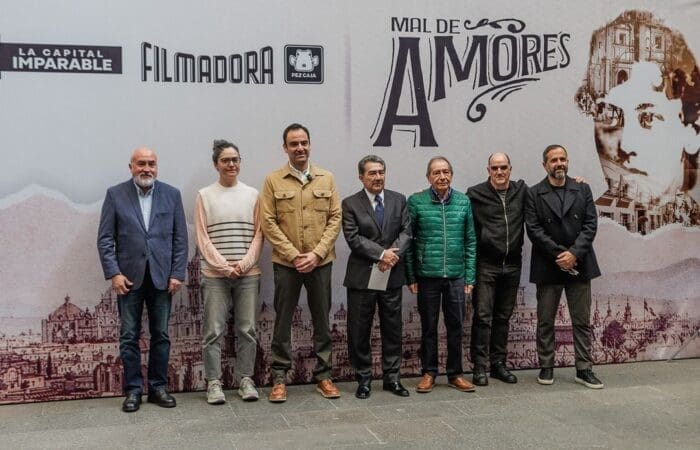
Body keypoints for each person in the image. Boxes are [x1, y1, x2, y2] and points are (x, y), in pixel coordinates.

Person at [576, 10, 699, 234]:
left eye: (648, 118)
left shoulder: (690, 220)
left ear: (691, 131)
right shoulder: (594, 216)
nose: (626, 144)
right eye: (610, 115)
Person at [97, 147, 188, 412]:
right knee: (129, 336)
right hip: (128, 279)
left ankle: (158, 388)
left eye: (151, 163)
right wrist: (114, 273)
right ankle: (133, 391)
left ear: (157, 167)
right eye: (141, 164)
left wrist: (177, 273)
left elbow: (180, 239)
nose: (146, 168)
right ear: (131, 167)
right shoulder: (115, 195)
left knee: (161, 334)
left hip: (162, 278)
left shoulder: (172, 195)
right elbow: (105, 239)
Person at [260, 123, 342, 402]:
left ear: (310, 144)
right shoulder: (273, 180)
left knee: (322, 319)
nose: (300, 148)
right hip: (287, 264)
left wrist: (317, 253)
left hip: (320, 262)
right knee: (283, 321)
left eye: (304, 142)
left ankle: (324, 376)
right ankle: (279, 378)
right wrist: (294, 255)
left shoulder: (327, 178)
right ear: (285, 148)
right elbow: (268, 222)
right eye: (293, 144)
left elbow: (335, 218)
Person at [525, 144, 603, 389]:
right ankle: (546, 366)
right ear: (545, 165)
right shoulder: (534, 193)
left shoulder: (582, 188)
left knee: (581, 320)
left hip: (580, 262)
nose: (559, 163)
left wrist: (574, 253)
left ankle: (584, 369)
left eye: (562, 159)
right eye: (554, 160)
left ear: (567, 162)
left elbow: (590, 224)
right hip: (549, 264)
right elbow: (533, 229)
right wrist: (560, 254)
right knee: (545, 320)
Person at [195, 139, 263, 404]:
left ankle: (246, 379)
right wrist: (224, 266)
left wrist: (243, 265)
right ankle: (214, 383)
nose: (231, 164)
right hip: (215, 276)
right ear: (216, 164)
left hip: (248, 275)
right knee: (213, 331)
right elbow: (202, 237)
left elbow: (259, 235)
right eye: (226, 160)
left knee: (247, 330)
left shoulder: (253, 195)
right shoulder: (204, 195)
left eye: (235, 159)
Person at [341, 155, 412, 399]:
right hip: (362, 278)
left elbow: (406, 233)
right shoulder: (350, 204)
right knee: (359, 330)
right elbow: (353, 238)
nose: (378, 177)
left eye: (381, 172)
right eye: (372, 173)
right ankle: (363, 380)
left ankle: (392, 379)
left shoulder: (399, 200)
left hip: (391, 275)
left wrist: (391, 257)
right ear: (361, 177)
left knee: (393, 329)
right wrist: (382, 254)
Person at [405, 156, 477, 394]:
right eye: (436, 172)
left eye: (446, 172)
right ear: (428, 177)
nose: (442, 176)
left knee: (456, 326)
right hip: (427, 275)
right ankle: (429, 372)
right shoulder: (416, 201)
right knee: (428, 327)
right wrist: (411, 276)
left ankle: (456, 374)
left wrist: (470, 276)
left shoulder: (463, 201)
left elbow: (470, 241)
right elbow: (408, 241)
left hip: (456, 275)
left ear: (452, 175)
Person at [466, 153, 526, 386]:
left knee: (503, 317)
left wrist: (575, 182)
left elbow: (547, 190)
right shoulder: (475, 194)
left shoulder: (521, 191)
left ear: (510, 169)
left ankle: (498, 364)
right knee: (482, 317)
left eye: (503, 167)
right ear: (488, 170)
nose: (499, 172)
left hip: (512, 264)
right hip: (486, 265)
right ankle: (479, 367)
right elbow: (455, 208)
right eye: (494, 168)